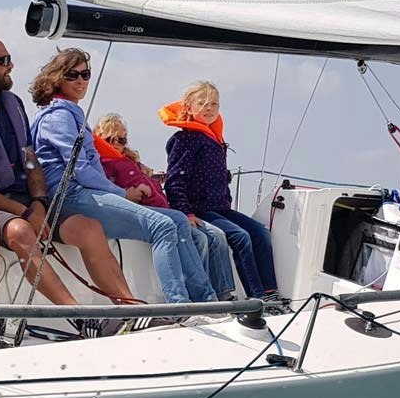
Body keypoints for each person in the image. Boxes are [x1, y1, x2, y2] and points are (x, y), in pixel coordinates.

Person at [0, 35, 136, 335]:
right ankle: (82, 318)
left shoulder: (12, 105)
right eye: (2, 61)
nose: (10, 66)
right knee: (21, 231)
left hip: (28, 201)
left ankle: (132, 310)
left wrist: (39, 201)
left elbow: (30, 161)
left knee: (89, 228)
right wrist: (25, 213)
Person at [28, 48, 216, 307]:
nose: (82, 81)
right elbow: (80, 170)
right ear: (58, 78)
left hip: (85, 192)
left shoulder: (71, 113)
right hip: (70, 195)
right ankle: (179, 306)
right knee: (162, 226)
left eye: (86, 74)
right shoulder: (58, 116)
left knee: (178, 220)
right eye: (73, 75)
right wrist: (122, 194)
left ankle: (206, 301)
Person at [92, 113, 236, 299]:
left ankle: (214, 294)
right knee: (195, 236)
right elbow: (104, 188)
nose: (117, 143)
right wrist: (126, 194)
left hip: (165, 210)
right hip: (142, 212)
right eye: (110, 139)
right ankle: (198, 298)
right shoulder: (103, 163)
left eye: (122, 139)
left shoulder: (131, 163)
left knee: (210, 237)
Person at [161, 82, 281, 302]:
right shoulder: (184, 139)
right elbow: (175, 180)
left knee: (260, 233)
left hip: (220, 207)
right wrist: (185, 212)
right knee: (240, 236)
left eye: (214, 104)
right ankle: (257, 297)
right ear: (188, 107)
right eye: (202, 103)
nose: (209, 108)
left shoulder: (214, 140)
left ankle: (271, 292)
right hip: (199, 208)